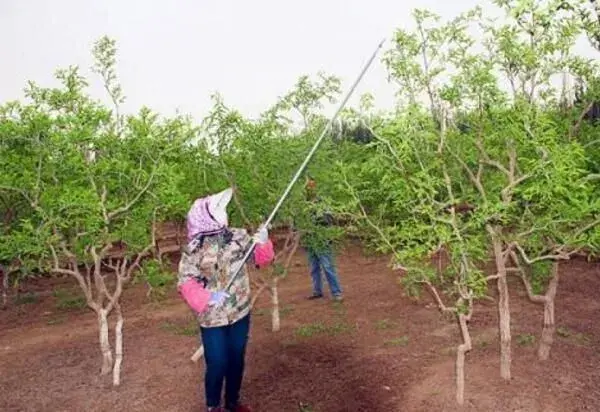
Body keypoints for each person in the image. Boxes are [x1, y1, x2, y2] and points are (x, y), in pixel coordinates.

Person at [177, 187, 274, 412]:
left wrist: (263, 243)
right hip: (212, 318)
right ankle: (213, 406)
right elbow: (185, 282)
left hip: (240, 311)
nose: (224, 212)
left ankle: (233, 401)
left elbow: (261, 260)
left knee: (236, 360)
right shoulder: (194, 249)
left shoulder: (237, 236)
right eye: (219, 209)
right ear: (207, 217)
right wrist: (208, 297)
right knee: (217, 363)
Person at [302, 177, 343, 302]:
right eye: (307, 187)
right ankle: (317, 291)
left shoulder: (322, 203)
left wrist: (316, 223)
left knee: (327, 266)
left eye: (311, 186)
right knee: (314, 267)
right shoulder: (303, 204)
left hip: (322, 239)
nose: (309, 189)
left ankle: (336, 292)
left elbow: (329, 220)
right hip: (309, 240)